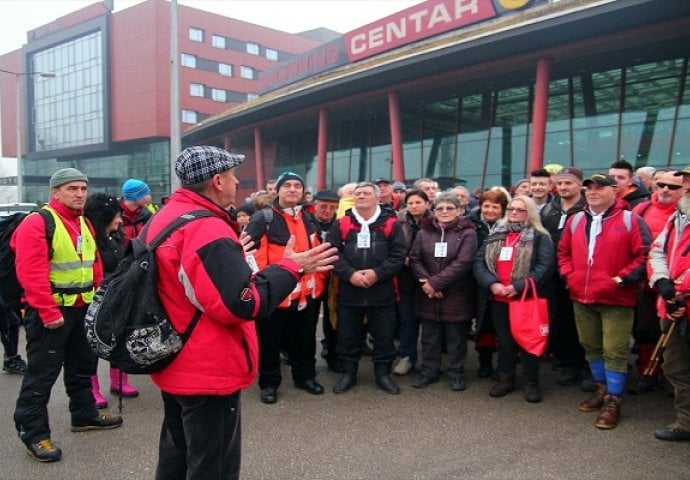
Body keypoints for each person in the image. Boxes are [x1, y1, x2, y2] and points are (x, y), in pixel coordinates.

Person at [148, 146, 337, 479]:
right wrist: (291, 267)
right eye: (234, 176)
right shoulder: (206, 228)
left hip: (175, 356)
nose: (238, 182)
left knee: (177, 454)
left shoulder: (167, 215)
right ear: (218, 181)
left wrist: (235, 256)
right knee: (212, 465)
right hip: (205, 367)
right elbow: (241, 302)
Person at [12, 168, 122, 463]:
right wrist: (48, 312)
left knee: (83, 367)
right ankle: (33, 433)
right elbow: (30, 273)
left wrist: (98, 302)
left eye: (83, 188)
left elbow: (93, 264)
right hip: (51, 313)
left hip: (81, 308)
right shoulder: (38, 223)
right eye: (72, 188)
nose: (80, 194)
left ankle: (84, 415)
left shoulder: (82, 221)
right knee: (42, 375)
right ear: (55, 192)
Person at [558, 173, 650, 429]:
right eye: (589, 188)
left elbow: (643, 255)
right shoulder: (576, 220)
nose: (593, 192)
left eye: (599, 187)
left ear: (614, 191)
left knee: (615, 351)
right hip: (581, 296)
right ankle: (602, 389)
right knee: (591, 346)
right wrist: (570, 275)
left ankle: (614, 399)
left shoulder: (631, 220)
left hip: (616, 299)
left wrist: (621, 280)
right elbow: (563, 252)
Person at [245, 171, 327, 404]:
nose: (293, 189)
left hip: (306, 293)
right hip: (274, 294)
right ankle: (269, 383)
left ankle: (305, 377)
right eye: (287, 185)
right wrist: (265, 288)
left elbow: (317, 250)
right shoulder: (263, 218)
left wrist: (317, 283)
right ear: (277, 190)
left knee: (305, 338)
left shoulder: (309, 216)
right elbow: (251, 257)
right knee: (269, 342)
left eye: (297, 186)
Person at [474, 195, 554, 403]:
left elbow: (544, 267)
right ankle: (506, 378)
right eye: (511, 209)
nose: (514, 213)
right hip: (498, 298)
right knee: (505, 342)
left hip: (524, 298)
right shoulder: (495, 234)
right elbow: (479, 262)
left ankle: (531, 382)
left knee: (528, 342)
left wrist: (516, 287)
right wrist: (492, 284)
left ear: (530, 213)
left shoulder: (539, 236)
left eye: (520, 210)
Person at [330, 182, 407, 395]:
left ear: (377, 198)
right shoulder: (342, 223)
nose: (361, 196)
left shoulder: (392, 223)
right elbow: (332, 253)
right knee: (347, 336)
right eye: (358, 193)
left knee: (384, 336)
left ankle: (383, 375)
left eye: (366, 193)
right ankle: (348, 374)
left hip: (382, 292)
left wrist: (377, 273)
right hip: (349, 291)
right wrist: (350, 275)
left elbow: (398, 255)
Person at [410, 192, 477, 391]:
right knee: (429, 336)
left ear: (459, 210)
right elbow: (414, 258)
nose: (445, 211)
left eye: (450, 208)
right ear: (434, 211)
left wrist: (435, 284)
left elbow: (463, 262)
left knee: (456, 337)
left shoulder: (468, 232)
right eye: (440, 208)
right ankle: (429, 371)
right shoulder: (424, 232)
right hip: (428, 293)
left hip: (456, 292)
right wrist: (427, 284)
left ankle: (456, 373)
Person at [648, 164, 690, 441]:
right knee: (676, 366)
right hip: (675, 305)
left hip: (682, 299)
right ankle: (686, 422)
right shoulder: (678, 216)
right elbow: (657, 251)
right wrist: (663, 283)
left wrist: (681, 289)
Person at [632, 170, 683, 392]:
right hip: (647, 284)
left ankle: (674, 381)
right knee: (645, 331)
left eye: (672, 187)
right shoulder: (642, 209)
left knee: (678, 338)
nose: (665, 190)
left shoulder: (683, 214)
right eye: (662, 184)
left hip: (680, 288)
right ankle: (647, 372)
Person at [83, 193, 133, 409]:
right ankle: (91, 388)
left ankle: (119, 380)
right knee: (89, 346)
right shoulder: (89, 239)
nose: (120, 220)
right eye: (116, 216)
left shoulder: (118, 237)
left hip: (118, 297)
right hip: (94, 299)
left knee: (118, 338)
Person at [540, 166, 587, 386]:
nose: (563, 187)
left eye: (568, 183)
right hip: (551, 273)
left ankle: (577, 363)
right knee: (557, 318)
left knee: (576, 320)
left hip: (576, 272)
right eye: (560, 183)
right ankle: (565, 357)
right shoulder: (549, 208)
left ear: (579, 185)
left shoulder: (586, 208)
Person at [467, 188, 510, 378]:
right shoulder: (471, 225)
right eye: (486, 206)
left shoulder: (512, 226)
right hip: (477, 283)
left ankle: (503, 364)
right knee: (482, 323)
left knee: (503, 326)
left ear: (503, 208)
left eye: (495, 206)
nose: (490, 210)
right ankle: (484, 362)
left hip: (505, 282)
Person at [393, 189, 432, 376]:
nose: (414, 206)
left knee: (431, 323)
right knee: (407, 320)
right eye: (410, 203)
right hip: (406, 278)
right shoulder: (398, 222)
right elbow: (392, 245)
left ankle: (431, 361)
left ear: (427, 203)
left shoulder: (436, 221)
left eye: (418, 202)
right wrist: (404, 258)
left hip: (430, 278)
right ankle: (407, 357)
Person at [310, 190, 342, 373]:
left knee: (332, 321)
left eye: (332, 207)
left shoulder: (339, 225)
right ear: (314, 205)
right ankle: (306, 361)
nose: (327, 210)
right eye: (323, 206)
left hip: (333, 279)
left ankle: (332, 355)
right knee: (307, 322)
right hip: (311, 278)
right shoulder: (306, 223)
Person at [120, 178, 154, 244]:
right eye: (146, 194)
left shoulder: (147, 215)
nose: (149, 197)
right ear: (136, 196)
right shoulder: (113, 216)